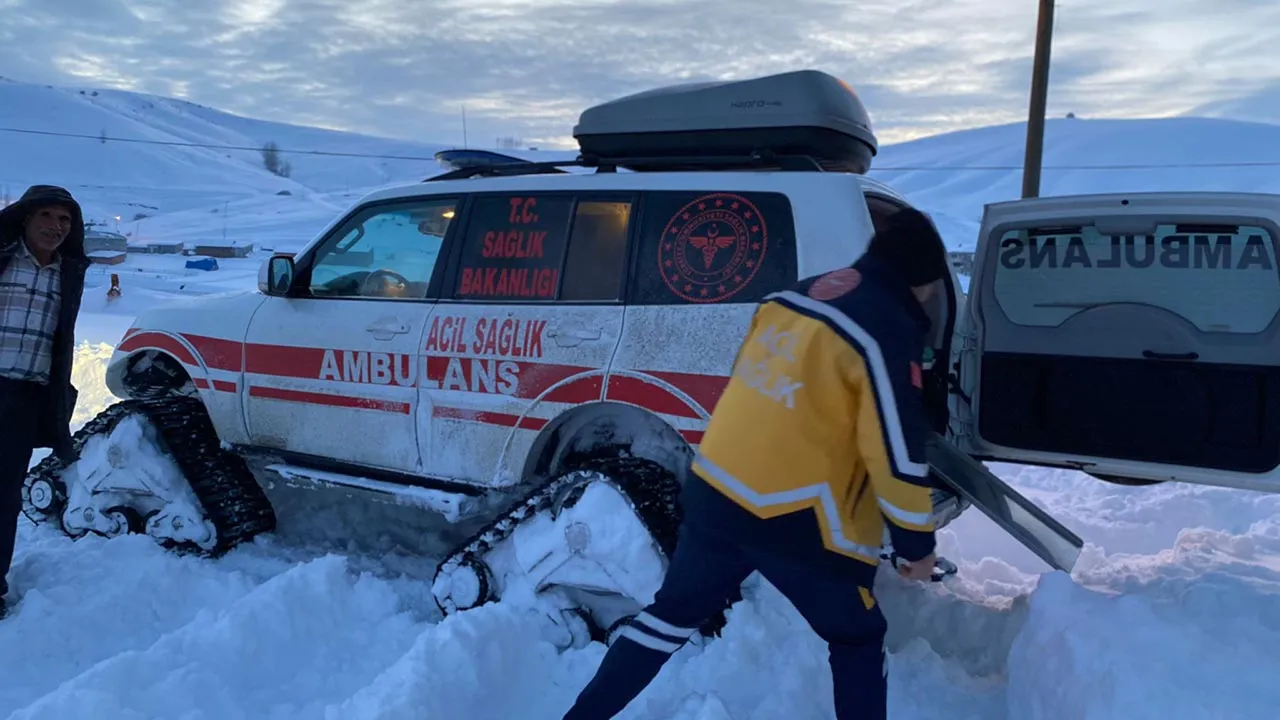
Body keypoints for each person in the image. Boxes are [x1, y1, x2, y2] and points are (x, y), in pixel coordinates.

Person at [561, 207, 952, 720]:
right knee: (857, 636)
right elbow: (896, 454)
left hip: (717, 492)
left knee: (667, 620)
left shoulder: (791, 296)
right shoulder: (885, 327)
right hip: (799, 517)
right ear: (922, 281)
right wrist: (915, 545)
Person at [0, 185, 89, 619]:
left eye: (65, 220)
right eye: (47, 217)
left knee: (3, 499)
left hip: (24, 398)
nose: (56, 227)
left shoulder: (67, 273)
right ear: (25, 219)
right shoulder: (2, 257)